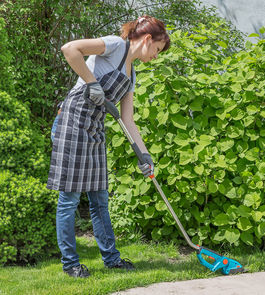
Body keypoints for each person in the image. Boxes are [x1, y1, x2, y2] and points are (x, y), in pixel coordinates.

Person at [47, 15, 170, 278]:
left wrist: (145, 155)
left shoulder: (131, 73)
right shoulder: (114, 45)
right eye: (157, 50)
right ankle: (71, 264)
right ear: (147, 39)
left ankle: (111, 259)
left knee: (100, 199)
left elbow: (128, 120)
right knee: (69, 200)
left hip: (94, 128)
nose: (156, 57)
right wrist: (91, 82)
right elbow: (70, 49)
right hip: (72, 120)